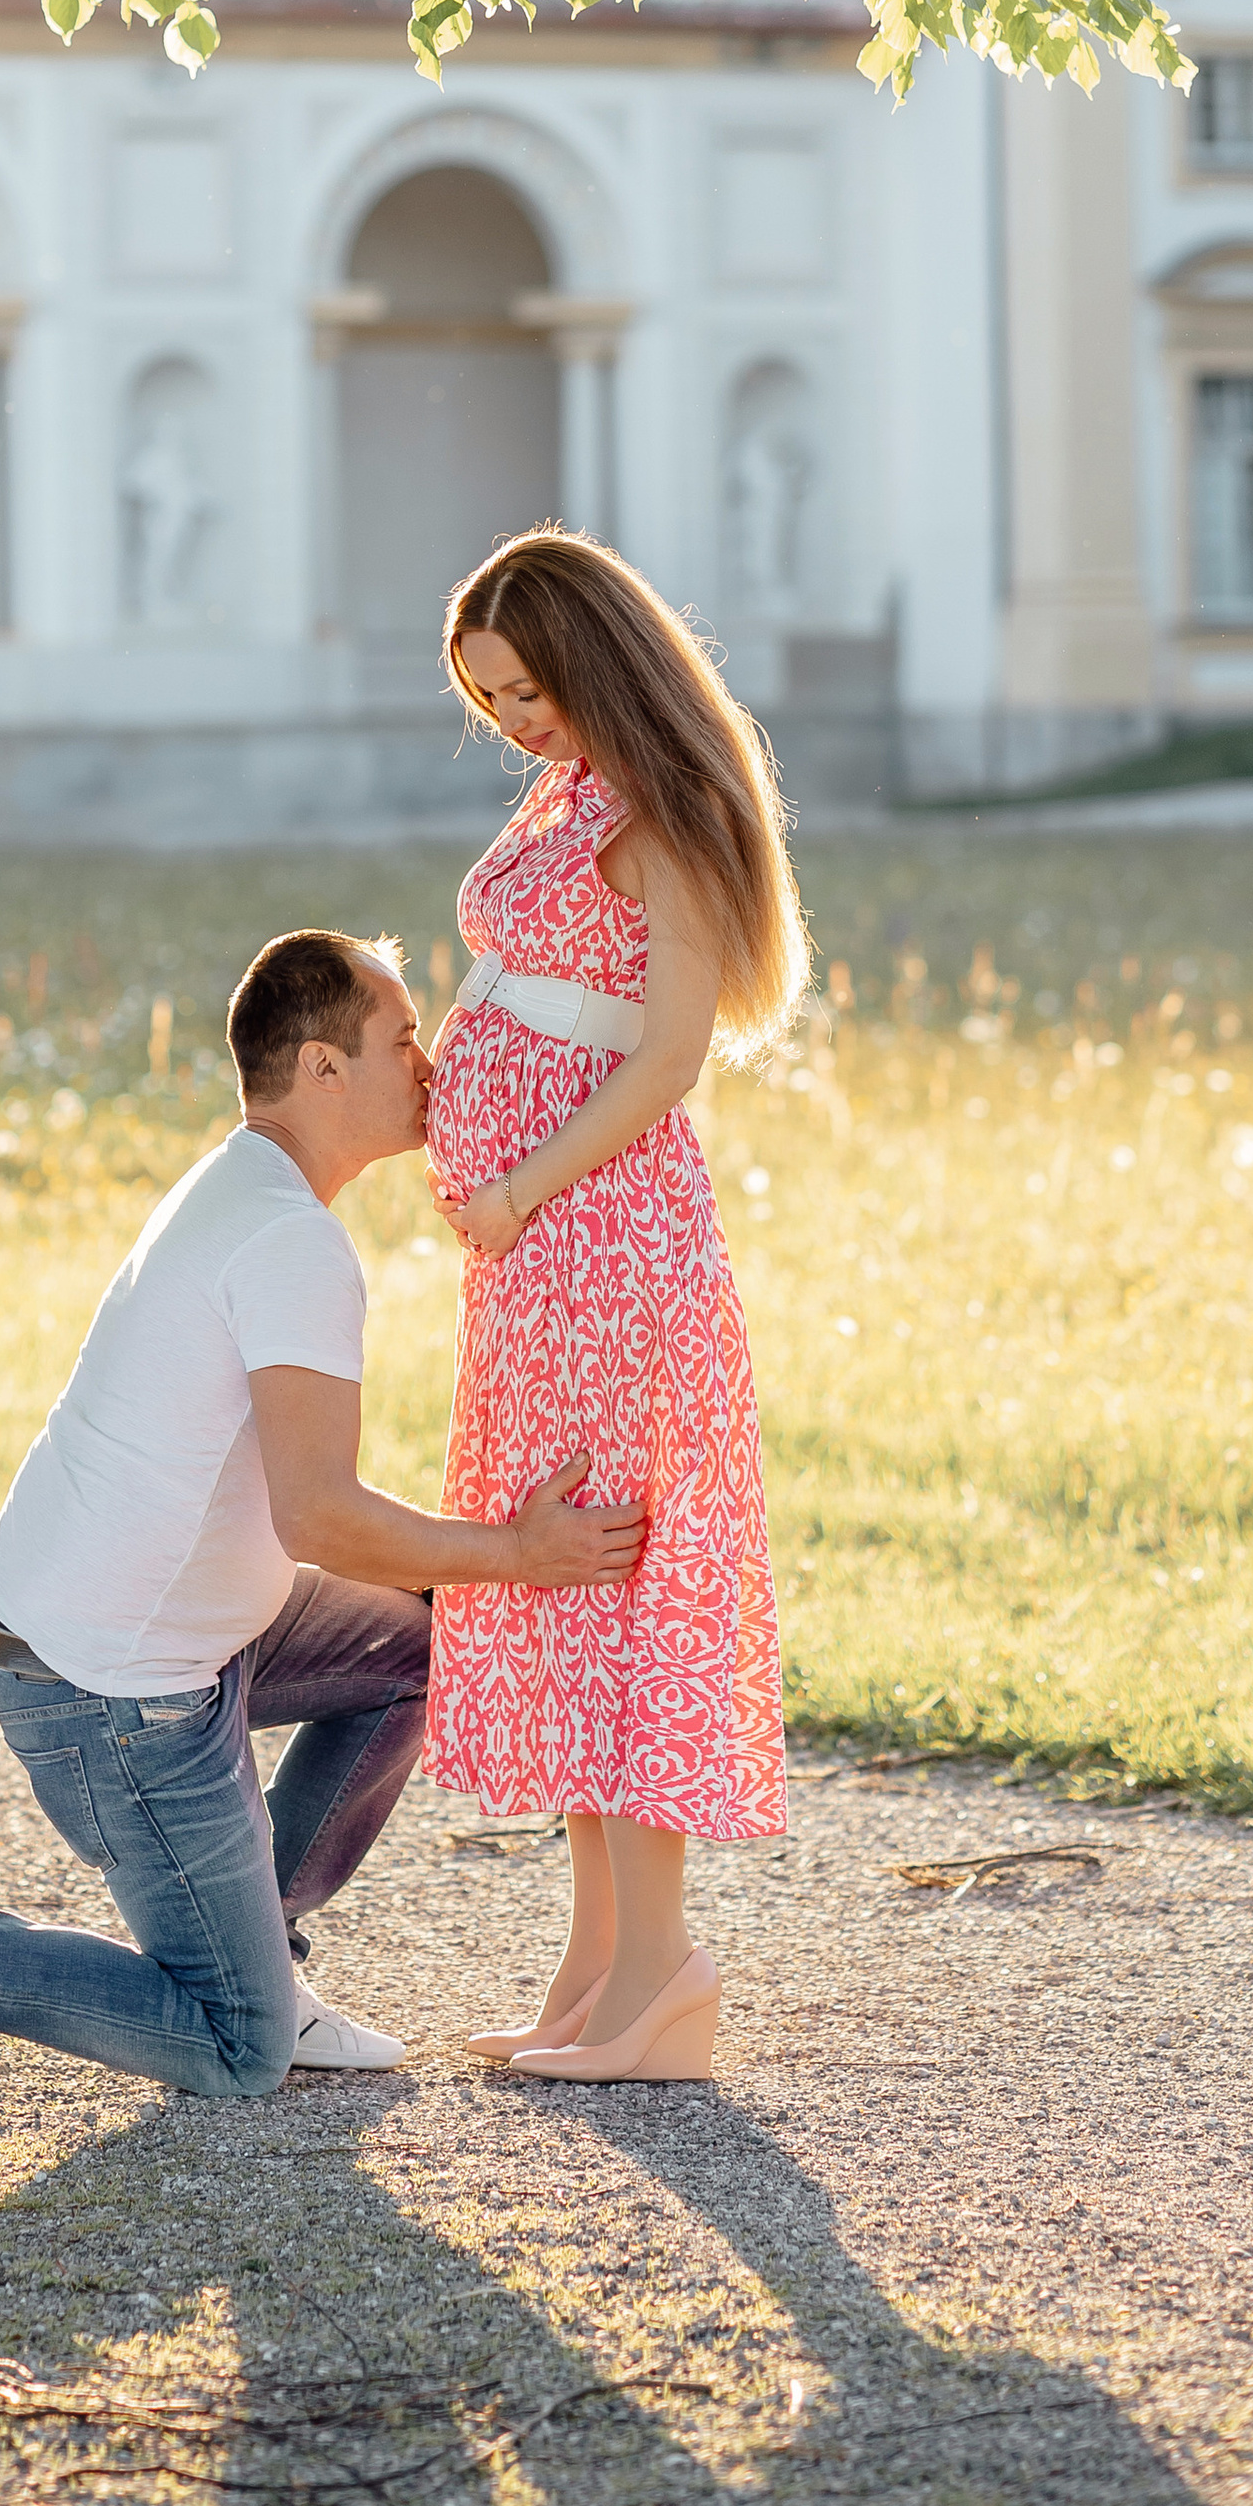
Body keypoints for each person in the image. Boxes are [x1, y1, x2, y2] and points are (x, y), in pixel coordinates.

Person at [0, 926, 644, 2108]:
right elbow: (321, 1514)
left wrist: (475, 1573)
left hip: (176, 1632)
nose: (430, 1063)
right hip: (109, 1692)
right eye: (402, 1038)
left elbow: (308, 1524)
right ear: (322, 1069)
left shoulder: (247, 1185)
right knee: (237, 2049)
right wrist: (519, 1555)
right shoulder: (288, 1240)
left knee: (422, 1640)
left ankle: (262, 1949)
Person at [425, 528, 807, 2084]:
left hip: (609, 1242)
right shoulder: (566, 792)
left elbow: (665, 1058)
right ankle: (594, 1971)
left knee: (622, 1576)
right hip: (545, 1262)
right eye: (490, 700)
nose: (514, 720)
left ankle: (661, 1972)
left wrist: (517, 1186)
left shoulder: (662, 810)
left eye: (527, 689)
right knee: (566, 1575)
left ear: (591, 660)